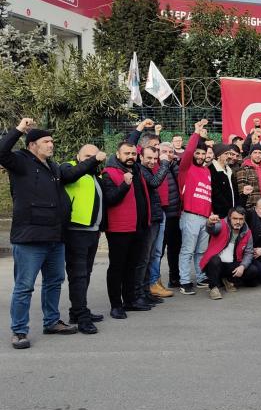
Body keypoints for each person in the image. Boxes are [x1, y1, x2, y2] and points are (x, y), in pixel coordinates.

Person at [2, 119, 100, 348]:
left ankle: (52, 321)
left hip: (55, 237)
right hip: (30, 238)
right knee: (24, 286)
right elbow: (1, 150)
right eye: (46, 141)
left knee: (54, 281)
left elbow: (74, 173)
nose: (51, 145)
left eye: (52, 141)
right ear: (32, 145)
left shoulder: (53, 167)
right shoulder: (19, 162)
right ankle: (19, 331)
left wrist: (93, 160)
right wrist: (18, 130)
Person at [101, 141, 153, 319]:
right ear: (117, 154)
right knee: (117, 268)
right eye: (126, 153)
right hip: (119, 229)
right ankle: (116, 305)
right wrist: (124, 185)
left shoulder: (137, 170)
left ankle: (130, 300)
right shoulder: (109, 172)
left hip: (138, 227)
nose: (130, 156)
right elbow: (110, 199)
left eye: (133, 153)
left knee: (132, 267)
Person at [61, 144, 109, 334]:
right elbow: (69, 177)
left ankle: (78, 310)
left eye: (95, 156)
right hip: (76, 231)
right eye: (87, 156)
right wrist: (93, 161)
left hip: (92, 231)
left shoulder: (94, 175)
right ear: (78, 156)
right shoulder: (68, 167)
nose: (92, 159)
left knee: (85, 274)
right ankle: (81, 316)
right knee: (78, 275)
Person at [178, 120, 213, 295]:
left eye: (203, 153)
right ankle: (184, 281)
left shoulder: (207, 171)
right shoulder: (186, 168)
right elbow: (189, 152)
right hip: (190, 216)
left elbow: (208, 195)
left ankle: (200, 277)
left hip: (205, 217)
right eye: (197, 153)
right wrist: (196, 133)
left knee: (202, 250)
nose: (199, 156)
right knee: (188, 250)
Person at [137, 145, 173, 303]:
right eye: (149, 158)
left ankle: (146, 291)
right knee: (145, 258)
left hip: (156, 217)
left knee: (151, 256)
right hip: (149, 220)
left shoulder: (148, 169)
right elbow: (155, 182)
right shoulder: (141, 170)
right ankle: (141, 293)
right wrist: (164, 164)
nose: (152, 161)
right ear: (141, 157)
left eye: (154, 158)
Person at [199, 207, 259, 299]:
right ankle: (214, 288)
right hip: (215, 264)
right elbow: (211, 229)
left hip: (231, 264)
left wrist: (242, 266)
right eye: (235, 218)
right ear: (230, 217)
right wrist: (209, 223)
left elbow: (249, 252)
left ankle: (228, 280)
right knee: (215, 260)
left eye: (241, 219)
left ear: (244, 219)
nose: (238, 221)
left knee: (253, 270)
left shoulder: (247, 232)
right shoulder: (221, 224)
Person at [158, 142, 182, 289]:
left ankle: (174, 278)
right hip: (162, 215)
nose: (168, 154)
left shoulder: (175, 167)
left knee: (175, 249)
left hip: (175, 215)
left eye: (171, 151)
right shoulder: (156, 168)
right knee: (158, 251)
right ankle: (154, 280)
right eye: (164, 151)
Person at [236, 143, 261, 210]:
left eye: (260, 153)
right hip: (252, 208)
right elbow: (242, 193)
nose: (257, 155)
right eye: (255, 152)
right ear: (250, 154)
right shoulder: (243, 169)